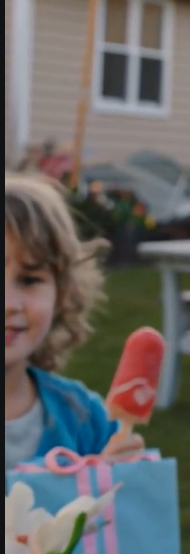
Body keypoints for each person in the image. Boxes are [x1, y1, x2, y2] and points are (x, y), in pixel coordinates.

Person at [5, 173, 146, 471]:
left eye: (30, 280)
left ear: (62, 294)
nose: (9, 304)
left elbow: (124, 514)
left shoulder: (85, 418)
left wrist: (115, 478)